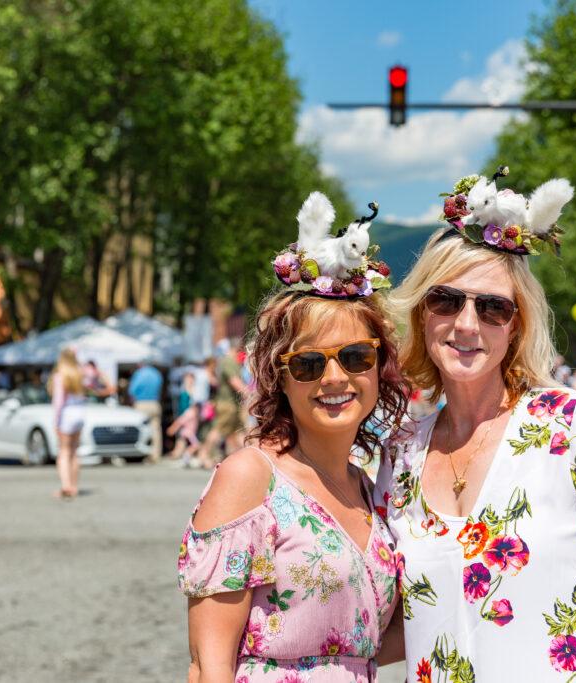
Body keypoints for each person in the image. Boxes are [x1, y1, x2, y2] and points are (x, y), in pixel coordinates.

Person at [377, 169, 576, 681]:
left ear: (516, 326)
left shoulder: (573, 430)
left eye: (493, 308)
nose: (467, 324)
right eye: (447, 300)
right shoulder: (397, 456)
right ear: (423, 313)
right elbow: (403, 619)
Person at [178, 192, 409, 681]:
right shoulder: (250, 478)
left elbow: (367, 640)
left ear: (378, 367)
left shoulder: (369, 488)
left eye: (354, 357)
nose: (334, 379)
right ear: (279, 377)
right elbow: (208, 662)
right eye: (307, 363)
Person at [200, 339, 249, 467]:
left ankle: (248, 459)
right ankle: (203, 455)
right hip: (227, 404)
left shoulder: (232, 362)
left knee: (239, 432)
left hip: (233, 404)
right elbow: (234, 381)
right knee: (218, 430)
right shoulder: (228, 361)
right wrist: (250, 394)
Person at [50, 348, 86, 498]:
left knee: (64, 451)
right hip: (80, 412)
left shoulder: (60, 376)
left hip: (66, 414)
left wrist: (56, 421)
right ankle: (74, 486)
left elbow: (58, 401)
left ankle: (66, 486)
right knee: (74, 452)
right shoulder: (79, 374)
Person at [128, 361, 163, 463]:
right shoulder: (157, 374)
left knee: (140, 429)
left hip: (141, 404)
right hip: (155, 403)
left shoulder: (139, 373)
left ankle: (139, 454)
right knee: (156, 430)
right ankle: (156, 455)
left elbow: (132, 391)